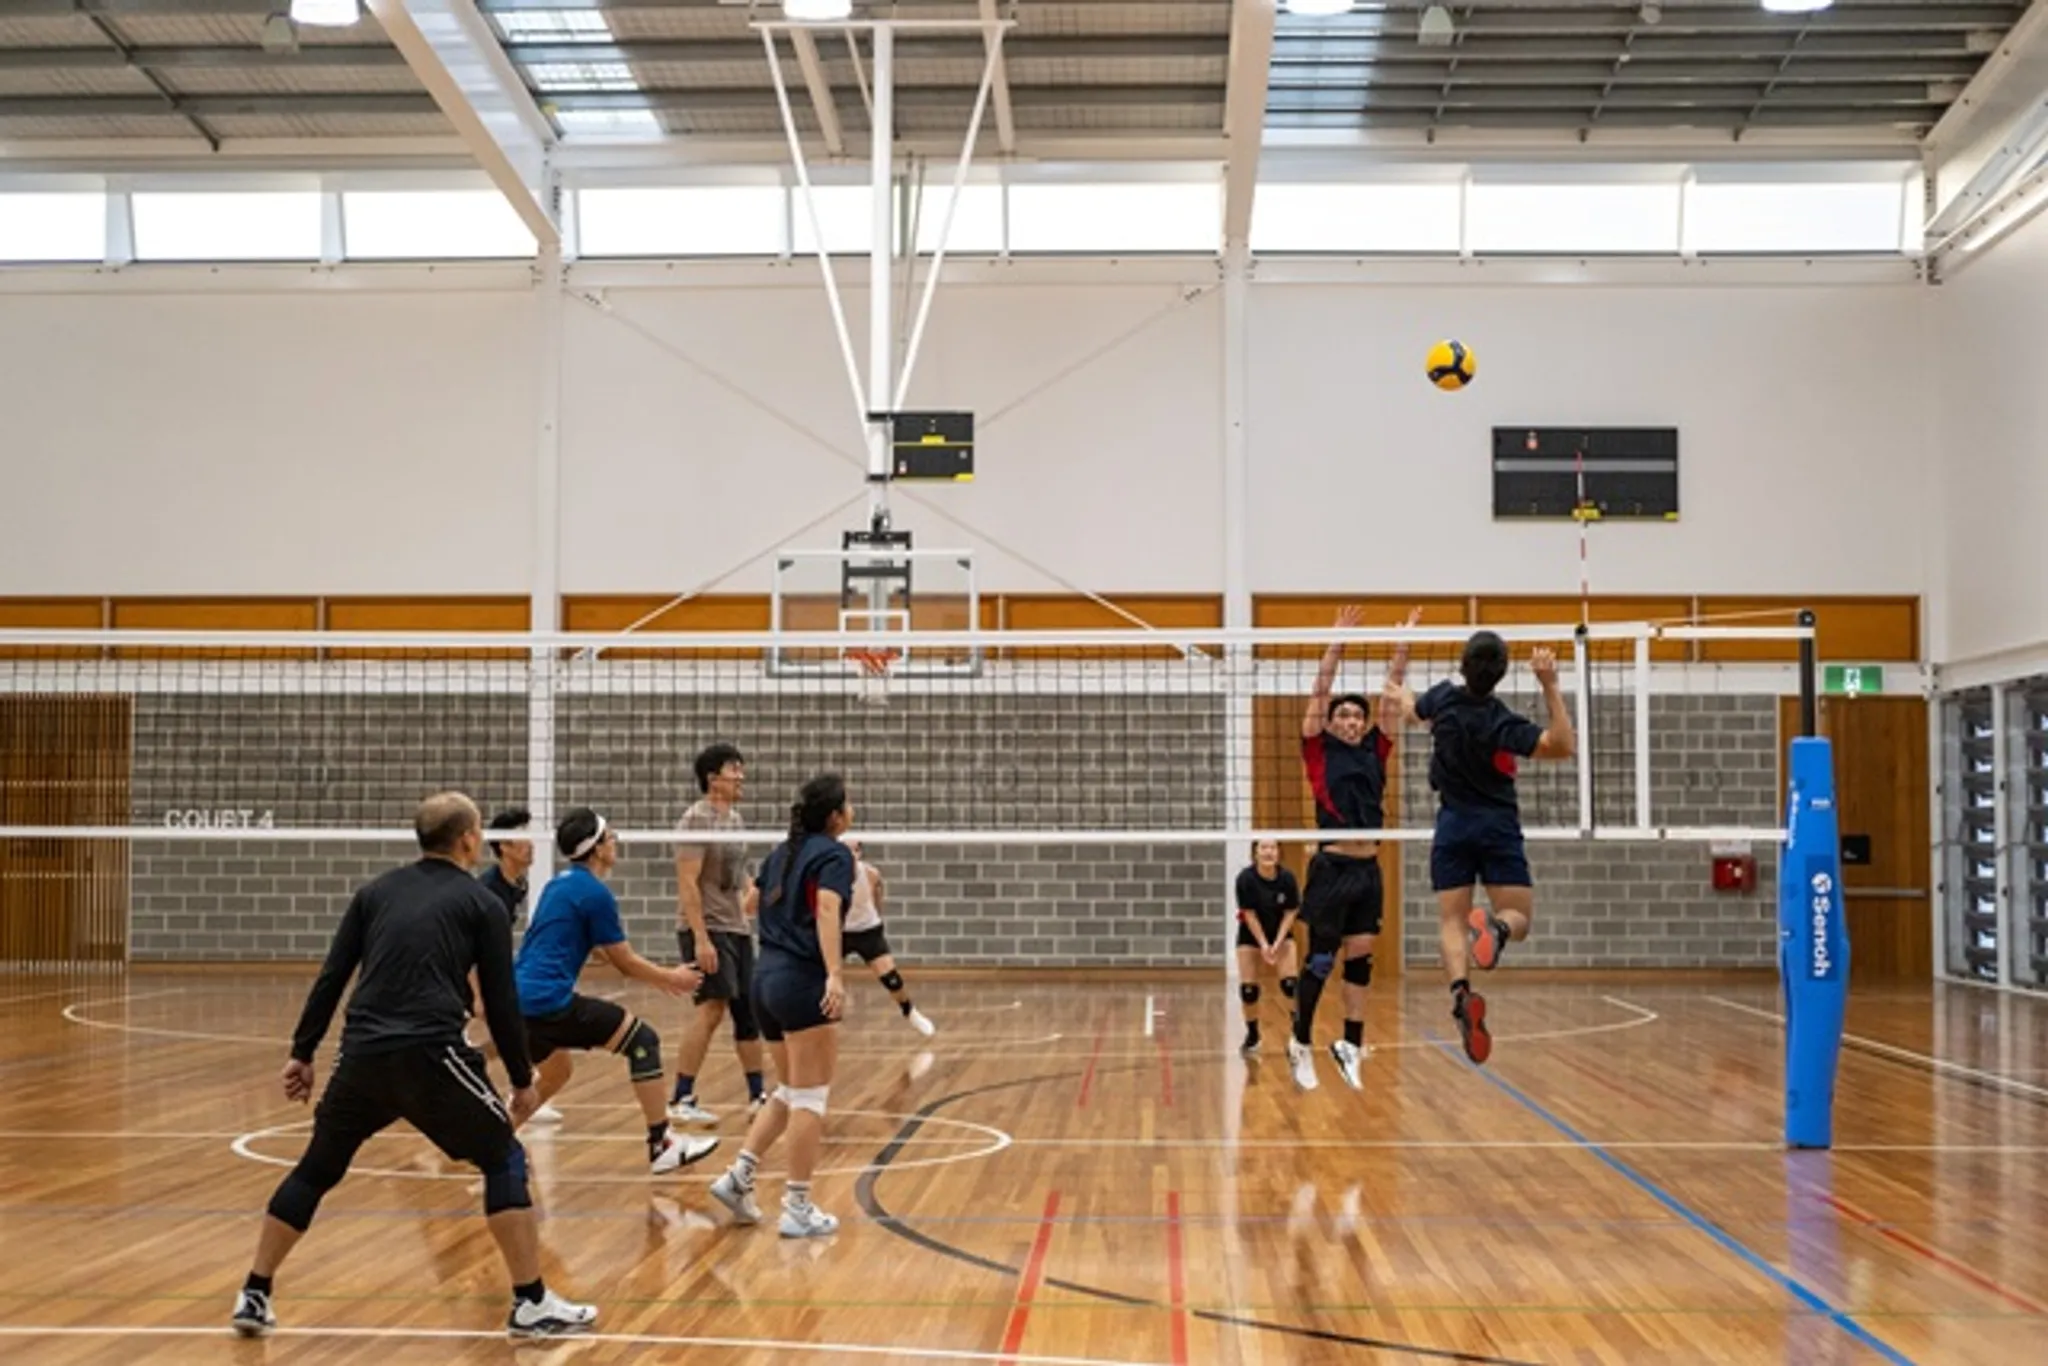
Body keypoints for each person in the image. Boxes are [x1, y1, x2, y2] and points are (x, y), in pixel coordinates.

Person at [230, 792, 595, 1341]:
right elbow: (499, 1002)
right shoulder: (482, 904)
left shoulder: (373, 892)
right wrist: (523, 1080)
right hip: (430, 1055)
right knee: (504, 1157)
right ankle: (530, 1303)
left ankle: (255, 1291)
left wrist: (303, 1053)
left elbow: (333, 976)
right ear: (470, 838)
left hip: (362, 1057)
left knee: (316, 1169)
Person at [1394, 631, 1575, 1065]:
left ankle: (1461, 994)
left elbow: (1410, 711)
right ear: (1501, 675)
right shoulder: (1501, 722)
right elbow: (1561, 745)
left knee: (1451, 920)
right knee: (1521, 919)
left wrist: (1402, 692)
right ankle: (1496, 930)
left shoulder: (1442, 699)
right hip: (1497, 826)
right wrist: (1549, 683)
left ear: (1462, 664)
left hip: (1453, 823)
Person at [513, 808, 721, 1174]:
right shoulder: (595, 894)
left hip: (518, 1000)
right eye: (610, 837)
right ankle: (662, 1144)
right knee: (643, 1041)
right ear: (596, 849)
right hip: (548, 1002)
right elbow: (623, 961)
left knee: (557, 1071)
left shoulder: (558, 885)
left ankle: (496, 1138)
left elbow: (587, 947)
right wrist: (670, 978)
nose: (616, 843)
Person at [707, 773, 855, 1239]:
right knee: (811, 1097)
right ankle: (797, 1206)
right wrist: (834, 973)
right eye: (848, 804)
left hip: (765, 980)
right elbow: (828, 910)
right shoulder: (832, 855)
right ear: (835, 816)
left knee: (790, 1090)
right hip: (800, 981)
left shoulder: (781, 853)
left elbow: (749, 904)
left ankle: (738, 1178)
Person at [1289, 606, 1417, 1093]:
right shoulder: (1318, 748)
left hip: (1369, 871)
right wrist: (1335, 642)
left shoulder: (1375, 748)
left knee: (1360, 958)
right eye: (1342, 715)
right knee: (1321, 961)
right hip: (1332, 866)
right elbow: (1320, 692)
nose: (1349, 720)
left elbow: (1390, 698)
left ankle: (1350, 1043)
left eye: (1355, 715)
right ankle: (1300, 1043)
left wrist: (1401, 647)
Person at [669, 743, 767, 1125]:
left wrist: (751, 894)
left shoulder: (735, 820)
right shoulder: (696, 820)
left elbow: (737, 872)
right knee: (711, 1008)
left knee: (747, 1012)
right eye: (733, 769)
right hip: (707, 927)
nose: (741, 776)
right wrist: (701, 938)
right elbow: (688, 883)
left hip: (735, 927)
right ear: (713, 778)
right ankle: (681, 1098)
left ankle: (758, 1095)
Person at [841, 836, 936, 1036]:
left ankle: (911, 1013)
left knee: (891, 979)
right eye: (844, 849)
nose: (849, 854)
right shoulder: (829, 875)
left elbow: (877, 899)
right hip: (839, 932)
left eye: (853, 849)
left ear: (859, 852)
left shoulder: (871, 874)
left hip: (867, 930)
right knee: (816, 976)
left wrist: (877, 923)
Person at [1234, 838, 1300, 1056]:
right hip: (1251, 936)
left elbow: (1290, 913)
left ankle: (1299, 1035)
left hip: (1280, 934)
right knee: (1249, 991)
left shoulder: (1287, 878)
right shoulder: (1246, 879)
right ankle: (1253, 1036)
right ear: (1255, 853)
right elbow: (1249, 915)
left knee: (1291, 986)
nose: (1268, 852)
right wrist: (1263, 945)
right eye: (1263, 848)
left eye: (1272, 848)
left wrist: (1277, 943)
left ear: (1279, 852)